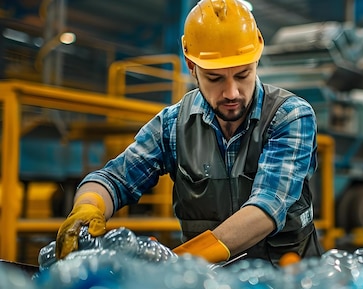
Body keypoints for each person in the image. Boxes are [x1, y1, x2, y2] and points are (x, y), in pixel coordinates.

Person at [55, 0, 323, 265]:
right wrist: (88, 206)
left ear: (256, 60)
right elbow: (114, 178)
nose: (231, 93)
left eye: (243, 75)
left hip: (289, 285)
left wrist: (179, 262)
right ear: (191, 66)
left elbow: (267, 207)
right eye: (215, 78)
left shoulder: (289, 116)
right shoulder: (173, 125)